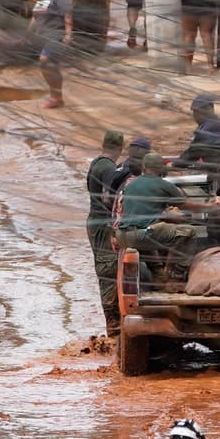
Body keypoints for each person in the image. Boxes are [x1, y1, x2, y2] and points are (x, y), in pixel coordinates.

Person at [116, 152, 220, 282]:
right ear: (161, 169)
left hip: (122, 235)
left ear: (143, 167)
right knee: (189, 232)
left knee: (151, 240)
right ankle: (175, 276)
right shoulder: (163, 185)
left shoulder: (131, 185)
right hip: (142, 234)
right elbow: (185, 205)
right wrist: (210, 206)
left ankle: (160, 278)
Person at [173, 94, 220, 205]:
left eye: (195, 112)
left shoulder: (204, 132)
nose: (194, 116)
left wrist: (173, 165)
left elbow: (191, 154)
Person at [87, 129, 126, 336]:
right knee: (109, 271)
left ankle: (113, 323)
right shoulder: (110, 168)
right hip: (103, 224)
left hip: (94, 221)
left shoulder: (96, 163)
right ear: (121, 148)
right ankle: (113, 326)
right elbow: (107, 198)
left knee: (106, 269)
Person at [30, 0, 73, 108]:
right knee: (49, 66)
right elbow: (35, 16)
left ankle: (56, 97)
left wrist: (68, 34)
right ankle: (56, 97)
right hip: (44, 34)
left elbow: (67, 14)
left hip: (56, 34)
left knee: (45, 61)